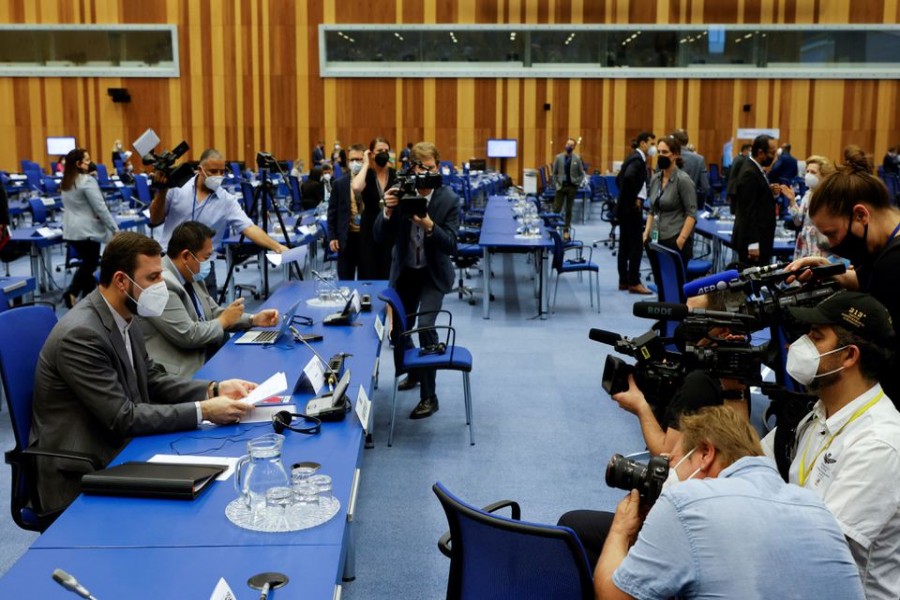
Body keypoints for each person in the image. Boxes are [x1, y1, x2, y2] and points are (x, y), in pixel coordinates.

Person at [30, 232, 255, 512]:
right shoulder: (81, 335)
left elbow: (151, 378)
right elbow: (122, 418)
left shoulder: (127, 314)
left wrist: (213, 390)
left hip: (120, 445)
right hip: (83, 468)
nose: (161, 285)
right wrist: (205, 411)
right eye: (153, 278)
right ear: (121, 281)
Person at [594, 406, 865, 600]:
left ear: (705, 454)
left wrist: (621, 529)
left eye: (674, 461)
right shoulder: (816, 508)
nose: (668, 472)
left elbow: (612, 596)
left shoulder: (684, 502)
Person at [760, 291, 900, 600]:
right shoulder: (820, 411)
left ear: (849, 356)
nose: (795, 347)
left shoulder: (879, 443)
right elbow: (752, 463)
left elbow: (817, 551)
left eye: (815, 337)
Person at [789, 147, 900, 403]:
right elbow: (866, 279)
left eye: (832, 234)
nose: (831, 243)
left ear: (861, 215)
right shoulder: (883, 245)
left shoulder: (894, 263)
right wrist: (831, 271)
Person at [374, 142, 458, 419]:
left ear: (438, 167)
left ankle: (429, 396)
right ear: (412, 167)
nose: (425, 173)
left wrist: (429, 225)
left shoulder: (448, 199)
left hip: (433, 274)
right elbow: (379, 238)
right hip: (407, 271)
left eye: (430, 167)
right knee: (400, 328)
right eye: (420, 167)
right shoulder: (400, 193)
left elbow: (452, 245)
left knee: (425, 327)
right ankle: (414, 371)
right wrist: (387, 211)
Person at [140, 221, 279, 377]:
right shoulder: (163, 284)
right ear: (186, 256)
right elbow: (188, 335)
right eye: (206, 257)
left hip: (206, 350)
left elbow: (212, 312)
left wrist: (253, 319)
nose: (208, 263)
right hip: (184, 369)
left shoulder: (191, 273)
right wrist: (224, 321)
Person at [149, 148, 288, 297]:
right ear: (200, 170)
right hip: (171, 262)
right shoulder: (176, 187)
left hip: (202, 266)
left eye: (222, 172)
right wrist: (162, 190)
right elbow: (155, 219)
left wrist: (277, 246)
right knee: (172, 314)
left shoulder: (226, 200)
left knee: (210, 315)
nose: (219, 176)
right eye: (213, 171)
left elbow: (249, 228)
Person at [60, 148, 120, 309]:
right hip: (86, 230)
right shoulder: (86, 181)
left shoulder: (67, 180)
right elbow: (100, 207)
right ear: (78, 164)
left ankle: (88, 301)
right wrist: (114, 228)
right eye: (86, 160)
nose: (89, 163)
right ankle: (72, 291)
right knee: (90, 263)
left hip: (71, 230)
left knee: (88, 264)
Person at [642, 135, 697, 266]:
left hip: (674, 239)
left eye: (665, 152)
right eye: (659, 152)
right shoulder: (655, 178)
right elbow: (652, 209)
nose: (661, 155)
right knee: (659, 282)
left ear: (675, 155)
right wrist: (646, 233)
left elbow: (691, 214)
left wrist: (681, 240)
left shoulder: (683, 180)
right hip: (655, 239)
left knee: (675, 284)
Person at [616, 131, 655, 294]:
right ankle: (634, 282)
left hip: (623, 209)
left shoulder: (632, 157)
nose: (653, 147)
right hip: (631, 210)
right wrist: (635, 199)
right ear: (643, 144)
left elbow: (618, 179)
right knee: (637, 246)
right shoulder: (638, 161)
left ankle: (624, 280)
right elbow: (627, 179)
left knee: (624, 245)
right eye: (651, 143)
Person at [354, 137, 398, 280]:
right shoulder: (366, 174)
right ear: (371, 153)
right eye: (380, 151)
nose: (384, 154)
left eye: (386, 151)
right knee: (368, 269)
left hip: (391, 226)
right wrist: (366, 164)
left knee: (389, 270)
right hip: (370, 227)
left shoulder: (395, 175)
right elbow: (356, 187)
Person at [732, 134, 777, 266]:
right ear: (760, 153)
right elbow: (748, 212)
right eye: (772, 153)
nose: (774, 157)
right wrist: (753, 244)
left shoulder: (754, 168)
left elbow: (757, 198)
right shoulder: (749, 173)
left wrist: (769, 191)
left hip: (760, 238)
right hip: (754, 242)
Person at [782, 154, 835, 260]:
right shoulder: (807, 194)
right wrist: (792, 201)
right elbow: (798, 221)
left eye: (813, 172)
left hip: (819, 242)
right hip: (804, 242)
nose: (808, 175)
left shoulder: (829, 195)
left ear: (824, 175)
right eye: (807, 171)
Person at [328, 144, 367, 279]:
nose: (355, 163)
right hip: (346, 238)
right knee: (345, 280)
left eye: (359, 159)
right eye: (352, 160)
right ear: (347, 161)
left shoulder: (372, 181)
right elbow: (332, 211)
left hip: (366, 238)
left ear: (365, 160)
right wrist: (332, 236)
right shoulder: (339, 183)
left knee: (366, 281)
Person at [550, 137, 585, 240]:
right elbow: (554, 173)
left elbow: (581, 174)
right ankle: (553, 229)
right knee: (557, 208)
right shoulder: (558, 157)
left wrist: (577, 183)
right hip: (560, 187)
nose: (568, 146)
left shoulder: (577, 159)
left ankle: (566, 230)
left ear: (574, 147)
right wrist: (556, 184)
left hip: (571, 187)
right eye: (567, 144)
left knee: (568, 210)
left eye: (571, 145)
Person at [671, 129, 709, 205]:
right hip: (690, 205)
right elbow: (705, 187)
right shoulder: (699, 159)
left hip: (668, 207)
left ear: (673, 141)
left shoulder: (665, 157)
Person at [725, 142, 752, 206]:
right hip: (736, 188)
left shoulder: (738, 158)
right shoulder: (741, 160)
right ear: (745, 150)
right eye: (750, 151)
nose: (751, 152)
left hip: (734, 187)